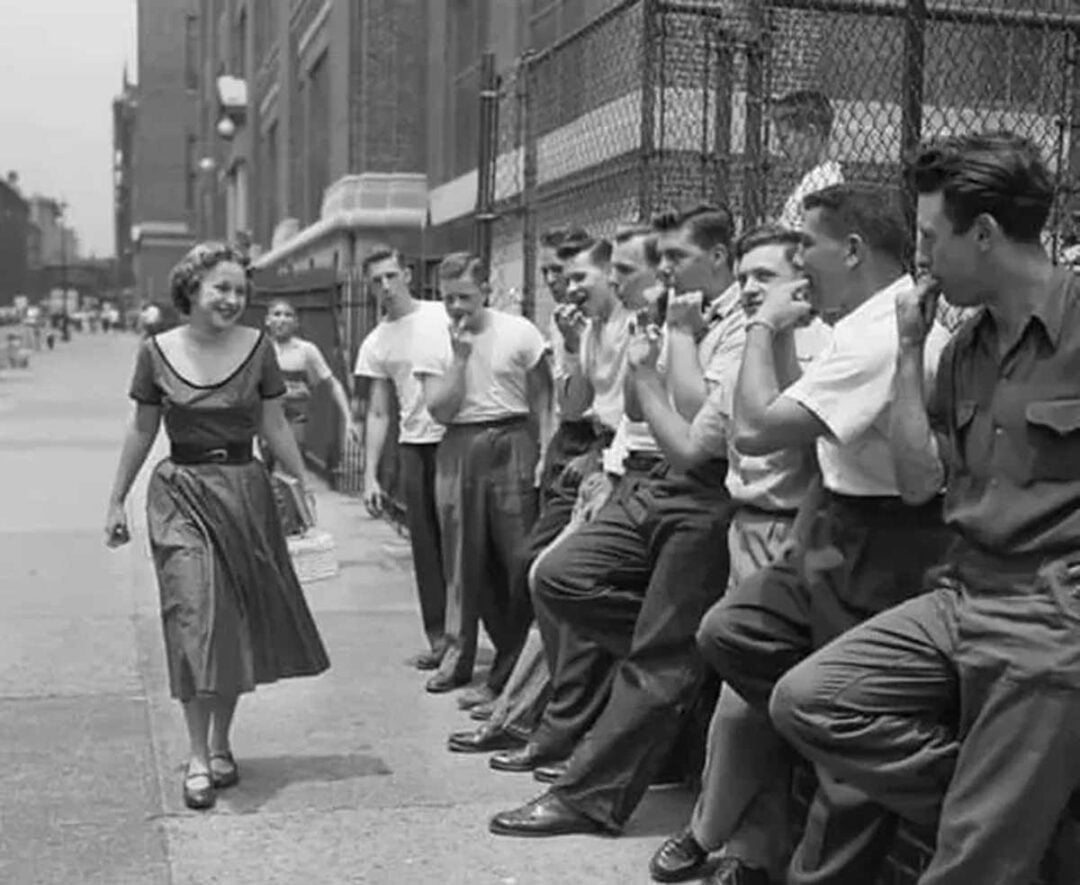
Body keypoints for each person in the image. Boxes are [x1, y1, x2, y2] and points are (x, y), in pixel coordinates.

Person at [770, 132, 1080, 885]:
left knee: (962, 867)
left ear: (983, 233)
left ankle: (1004, 823)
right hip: (962, 592)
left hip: (1051, 615)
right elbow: (918, 483)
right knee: (809, 700)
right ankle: (1026, 813)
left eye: (931, 240)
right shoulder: (964, 346)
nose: (922, 262)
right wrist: (909, 351)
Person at [695, 184, 955, 884]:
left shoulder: (879, 334)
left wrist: (761, 327)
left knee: (844, 728)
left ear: (854, 249)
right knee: (733, 630)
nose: (797, 258)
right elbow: (791, 417)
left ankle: (876, 827)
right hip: (835, 518)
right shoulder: (860, 319)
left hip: (889, 539)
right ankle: (828, 752)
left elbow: (755, 430)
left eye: (805, 243)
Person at [489, 204, 741, 838]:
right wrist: (649, 344)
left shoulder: (736, 323)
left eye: (672, 259)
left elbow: (695, 430)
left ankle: (588, 796)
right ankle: (682, 668)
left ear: (717, 258)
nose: (663, 271)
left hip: (704, 490)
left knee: (660, 654)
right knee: (560, 578)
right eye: (657, 262)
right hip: (653, 479)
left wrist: (671, 343)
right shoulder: (669, 315)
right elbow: (635, 400)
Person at [103, 241, 330, 812]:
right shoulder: (156, 352)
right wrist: (115, 499)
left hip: (244, 493)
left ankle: (223, 745)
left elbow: (273, 424)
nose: (232, 299)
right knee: (194, 616)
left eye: (239, 290)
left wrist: (302, 484)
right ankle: (197, 757)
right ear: (192, 289)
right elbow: (142, 428)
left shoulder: (258, 349)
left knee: (230, 621)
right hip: (179, 493)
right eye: (220, 288)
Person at [646, 224, 830, 884]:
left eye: (766, 277)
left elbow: (790, 433)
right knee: (747, 693)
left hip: (793, 528)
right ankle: (750, 846)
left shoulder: (817, 345)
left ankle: (717, 833)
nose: (750, 288)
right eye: (746, 276)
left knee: (747, 698)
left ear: (802, 283)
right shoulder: (745, 339)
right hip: (743, 524)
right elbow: (707, 430)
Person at [415, 252, 554, 695]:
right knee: (459, 555)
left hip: (511, 438)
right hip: (458, 442)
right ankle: (457, 654)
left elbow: (543, 397)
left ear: (486, 292)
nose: (457, 307)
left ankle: (519, 658)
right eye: (448, 298)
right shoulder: (432, 338)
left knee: (517, 553)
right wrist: (458, 360)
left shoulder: (519, 332)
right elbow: (438, 409)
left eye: (465, 297)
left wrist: (543, 451)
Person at [353, 246, 450, 671]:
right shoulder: (375, 342)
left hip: (455, 437)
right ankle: (441, 641)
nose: (385, 286)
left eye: (391, 276)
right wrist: (370, 476)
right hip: (415, 444)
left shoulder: (443, 313)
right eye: (376, 280)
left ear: (408, 274)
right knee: (426, 547)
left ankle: (488, 639)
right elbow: (378, 411)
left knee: (465, 542)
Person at [264, 299, 359, 461]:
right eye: (277, 314)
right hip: (265, 423)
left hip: (295, 423)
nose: (282, 319)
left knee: (290, 472)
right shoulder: (260, 348)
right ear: (267, 320)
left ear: (296, 322)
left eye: (288, 315)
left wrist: (348, 419)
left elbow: (333, 383)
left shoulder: (306, 350)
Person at [772, 90, 845, 230]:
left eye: (784, 138)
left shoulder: (824, 184)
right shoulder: (812, 179)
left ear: (811, 133)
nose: (780, 147)